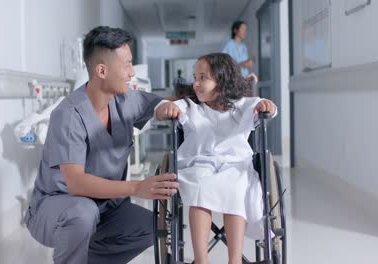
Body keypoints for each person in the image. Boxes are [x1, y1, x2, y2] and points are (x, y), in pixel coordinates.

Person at [24, 26, 179, 264]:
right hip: (56, 208)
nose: (131, 73)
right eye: (126, 64)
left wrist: (171, 106)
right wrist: (136, 187)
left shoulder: (125, 101)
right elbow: (76, 183)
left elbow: (159, 104)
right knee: (82, 213)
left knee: (150, 226)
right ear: (102, 70)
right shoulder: (68, 115)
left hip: (104, 209)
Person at [155, 53, 277, 264]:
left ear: (221, 80)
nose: (196, 84)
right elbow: (160, 110)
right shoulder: (190, 106)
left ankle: (234, 259)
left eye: (203, 78)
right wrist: (166, 108)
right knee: (200, 187)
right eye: (195, 77)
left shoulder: (242, 105)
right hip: (198, 163)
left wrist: (267, 106)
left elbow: (267, 107)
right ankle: (202, 259)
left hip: (236, 165)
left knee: (237, 188)